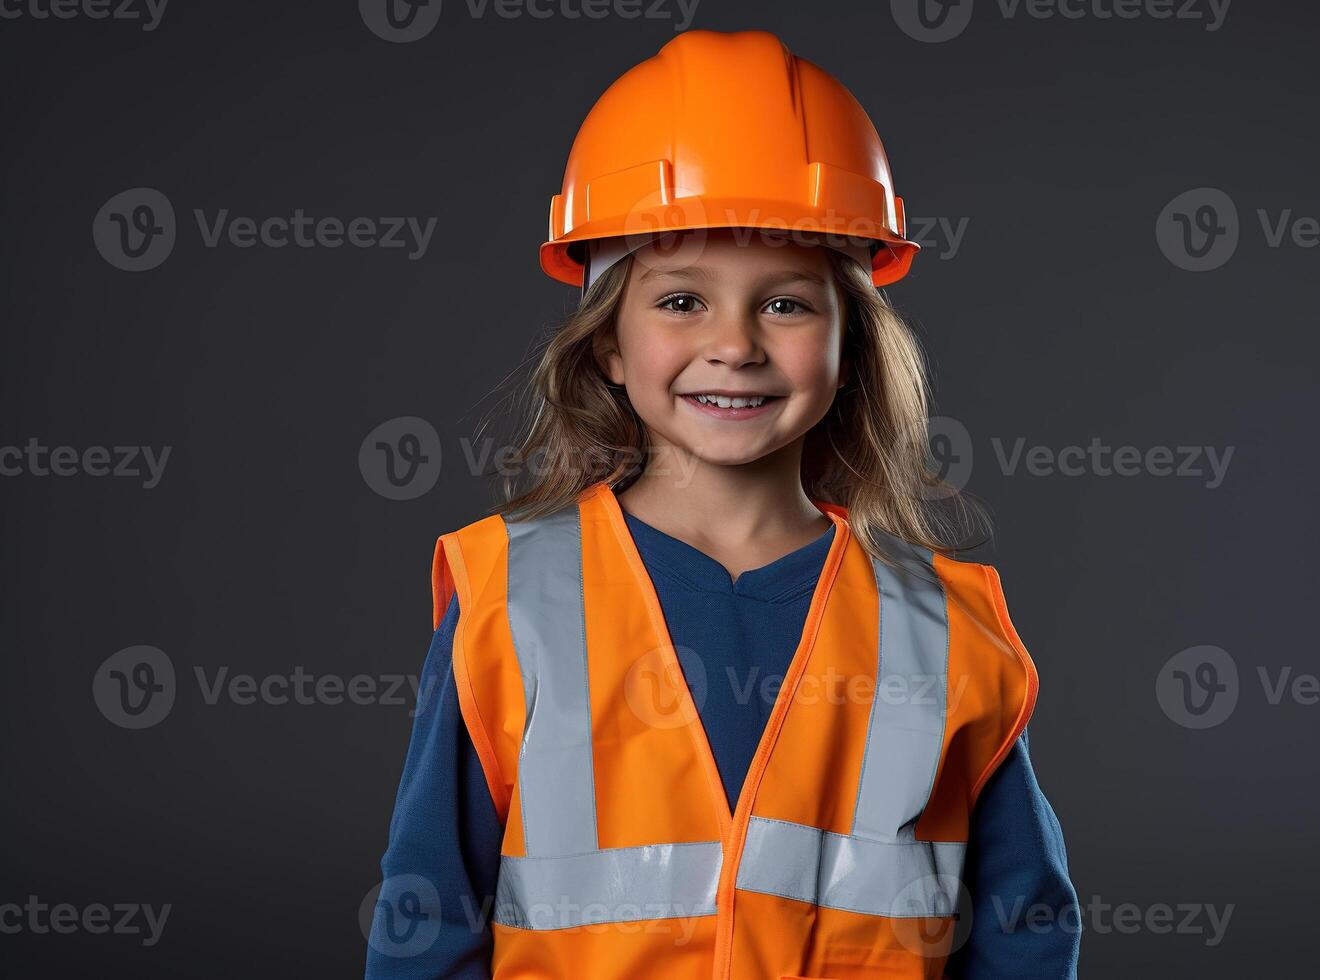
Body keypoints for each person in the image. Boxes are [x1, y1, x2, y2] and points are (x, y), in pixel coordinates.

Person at [365, 28, 1079, 980]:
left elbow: (1020, 932)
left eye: (786, 304)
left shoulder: (944, 631)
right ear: (608, 345)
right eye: (680, 301)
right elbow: (427, 914)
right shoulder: (507, 598)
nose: (735, 344)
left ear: (850, 345)